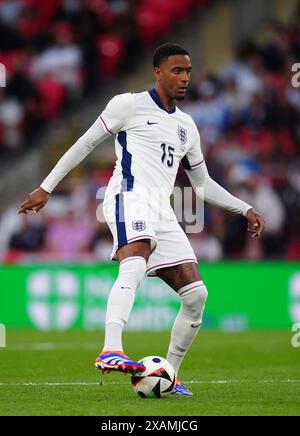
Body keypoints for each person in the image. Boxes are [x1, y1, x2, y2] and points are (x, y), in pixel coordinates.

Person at [18, 43, 265, 396]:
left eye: (188, 71)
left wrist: (245, 208)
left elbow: (202, 183)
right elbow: (84, 144)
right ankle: (111, 349)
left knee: (196, 295)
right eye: (177, 71)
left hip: (162, 210)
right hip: (128, 197)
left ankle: (170, 375)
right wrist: (46, 188)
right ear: (158, 72)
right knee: (134, 263)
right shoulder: (128, 104)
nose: (184, 78)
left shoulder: (186, 126)